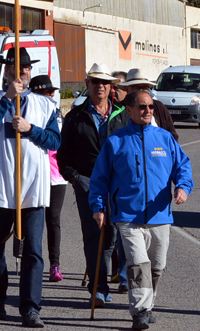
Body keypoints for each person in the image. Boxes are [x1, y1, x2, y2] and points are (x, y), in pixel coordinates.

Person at [89, 89, 194, 331]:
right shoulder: (115, 141)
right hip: (127, 215)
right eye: (142, 107)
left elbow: (183, 167)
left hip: (159, 215)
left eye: (151, 107)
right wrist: (98, 206)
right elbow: (99, 179)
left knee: (157, 266)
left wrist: (183, 188)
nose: (147, 111)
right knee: (138, 264)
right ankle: (140, 311)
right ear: (130, 110)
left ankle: (148, 304)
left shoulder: (165, 139)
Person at [0, 47, 61, 329]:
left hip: (33, 188)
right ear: (7, 69)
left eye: (25, 67)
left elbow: (55, 141)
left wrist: (30, 129)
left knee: (34, 251)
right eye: (16, 66)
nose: (22, 71)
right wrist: (8, 100)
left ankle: (30, 308)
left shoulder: (45, 105)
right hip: (0, 186)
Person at [58, 63, 130, 304]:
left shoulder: (123, 115)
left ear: (111, 87)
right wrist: (75, 178)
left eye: (104, 82)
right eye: (95, 81)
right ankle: (97, 287)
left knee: (110, 234)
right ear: (87, 85)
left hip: (117, 182)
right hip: (87, 181)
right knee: (93, 232)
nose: (100, 86)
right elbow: (63, 154)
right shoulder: (75, 117)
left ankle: (104, 281)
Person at [29, 75, 69, 286]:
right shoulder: (27, 111)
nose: (51, 96)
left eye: (52, 92)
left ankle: (55, 264)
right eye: (47, 92)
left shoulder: (57, 114)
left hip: (56, 176)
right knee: (30, 220)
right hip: (32, 173)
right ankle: (29, 259)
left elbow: (59, 142)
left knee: (53, 219)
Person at [120, 69, 178, 140]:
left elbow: (172, 136)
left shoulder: (159, 107)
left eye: (144, 87)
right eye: (137, 87)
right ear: (127, 88)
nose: (141, 91)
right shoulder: (118, 109)